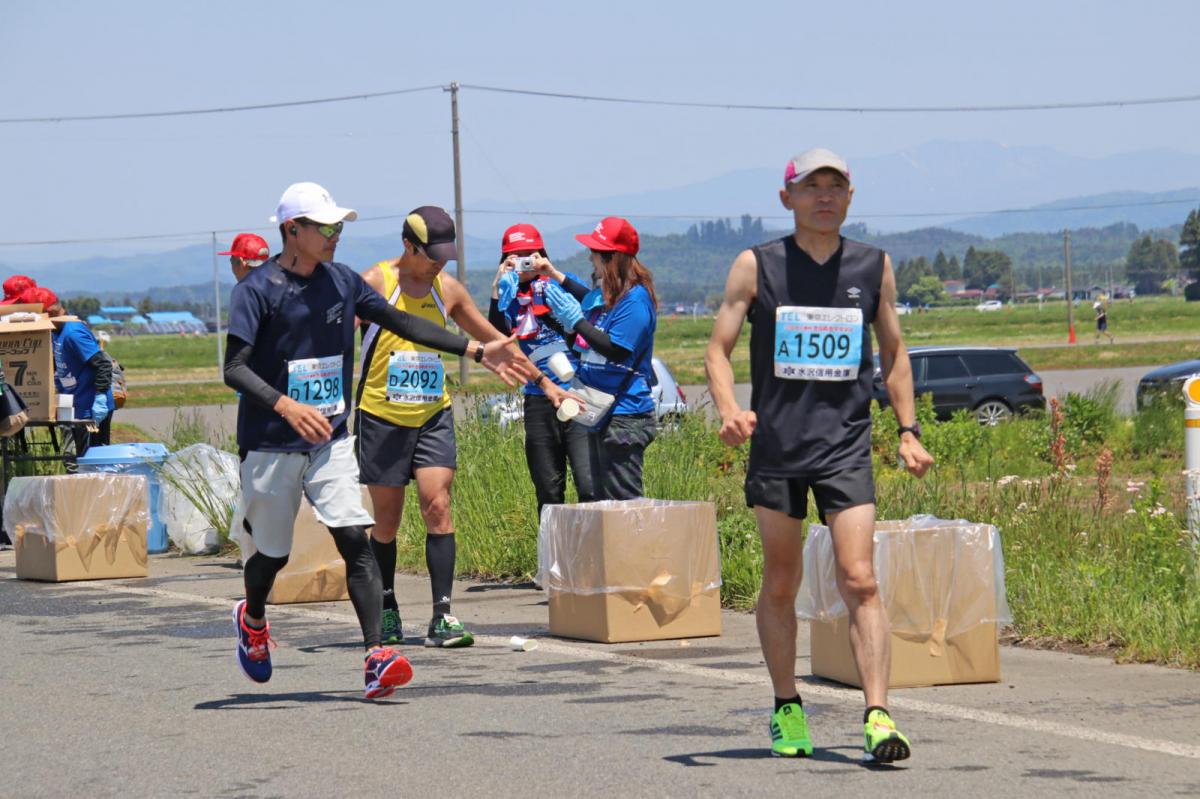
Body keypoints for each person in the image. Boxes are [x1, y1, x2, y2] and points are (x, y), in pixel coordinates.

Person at [224, 183, 534, 699]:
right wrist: (285, 405)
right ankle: (252, 616)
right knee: (272, 557)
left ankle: (376, 656)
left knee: (355, 539)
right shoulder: (256, 290)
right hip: (271, 440)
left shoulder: (343, 282)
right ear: (292, 230)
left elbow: (404, 323)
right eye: (325, 227)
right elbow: (233, 368)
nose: (336, 235)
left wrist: (477, 351)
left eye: (339, 226)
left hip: (330, 439)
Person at [705, 148, 934, 762]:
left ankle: (878, 715)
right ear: (787, 198)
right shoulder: (756, 265)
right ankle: (786, 706)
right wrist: (729, 409)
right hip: (777, 446)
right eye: (811, 186)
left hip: (845, 445)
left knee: (860, 578)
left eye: (836, 186)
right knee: (782, 581)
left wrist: (908, 430)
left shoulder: (873, 265)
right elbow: (718, 349)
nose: (824, 196)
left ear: (850, 197)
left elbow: (894, 353)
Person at [358, 209, 573, 649]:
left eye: (446, 255)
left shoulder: (448, 289)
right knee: (387, 522)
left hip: (431, 414)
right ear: (408, 246)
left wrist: (546, 383)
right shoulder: (376, 282)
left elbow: (498, 343)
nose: (439, 263)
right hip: (381, 415)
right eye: (432, 255)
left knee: (437, 504)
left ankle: (442, 615)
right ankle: (386, 604)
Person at [540, 217, 659, 500]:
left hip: (624, 415)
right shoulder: (610, 299)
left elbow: (616, 349)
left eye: (595, 252)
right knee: (600, 499)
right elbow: (588, 317)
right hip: (600, 412)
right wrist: (567, 320)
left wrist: (577, 321)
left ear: (612, 257)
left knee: (623, 503)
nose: (590, 258)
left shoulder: (635, 301)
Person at [488, 223, 597, 517]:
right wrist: (497, 289)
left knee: (589, 485)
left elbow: (595, 306)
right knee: (548, 490)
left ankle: (594, 544)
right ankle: (553, 547)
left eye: (529, 254)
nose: (524, 262)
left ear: (541, 254)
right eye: (515, 256)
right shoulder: (508, 296)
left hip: (581, 392)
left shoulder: (559, 284)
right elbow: (496, 338)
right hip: (539, 397)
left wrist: (552, 273)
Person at [41, 289, 114, 455]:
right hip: (76, 406)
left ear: (50, 312)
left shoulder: (73, 333)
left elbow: (103, 364)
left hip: (91, 408)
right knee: (81, 459)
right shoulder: (55, 331)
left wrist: (100, 397)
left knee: (96, 459)